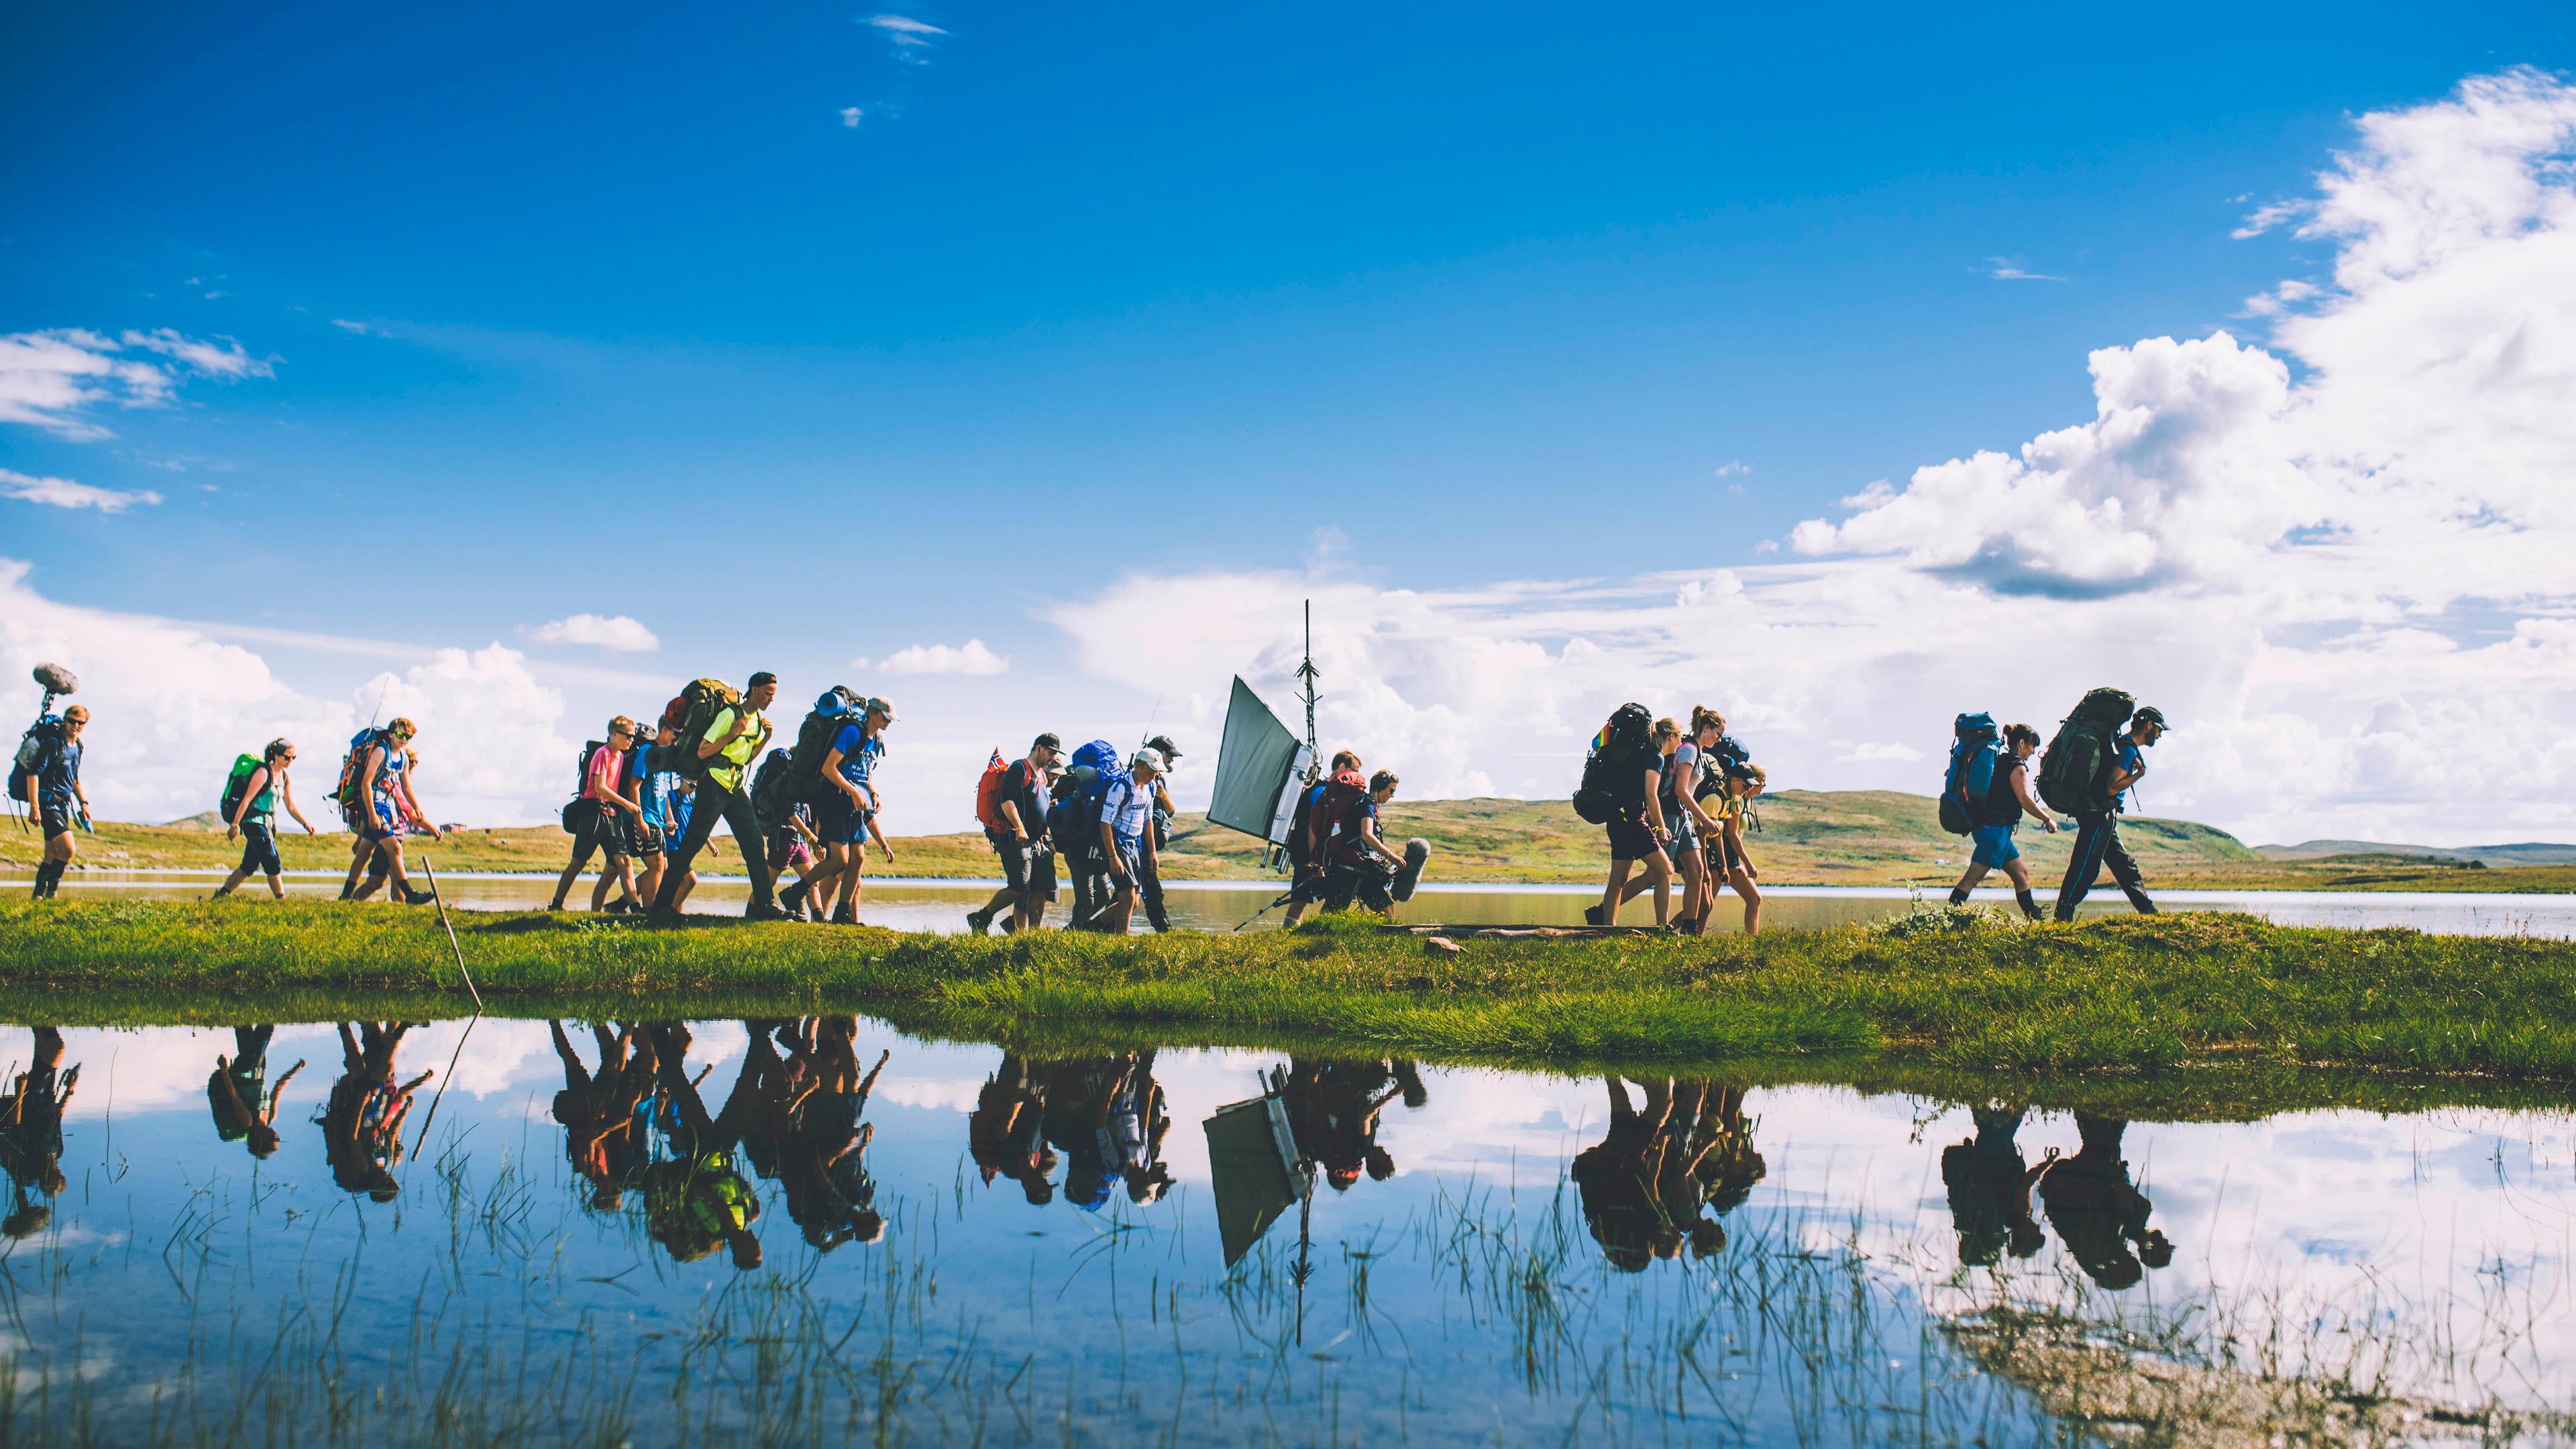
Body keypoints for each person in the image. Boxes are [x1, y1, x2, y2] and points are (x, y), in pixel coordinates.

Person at [651, 674, 787, 926]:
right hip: (714, 782)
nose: (771, 698)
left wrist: (765, 738)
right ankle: (661, 906)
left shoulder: (757, 721)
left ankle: (763, 905)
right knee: (692, 842)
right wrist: (732, 733)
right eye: (768, 692)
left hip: (734, 786)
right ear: (754, 690)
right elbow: (703, 750)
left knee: (754, 842)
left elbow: (746, 758)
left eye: (774, 695)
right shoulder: (729, 716)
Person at [1615, 710, 1726, 932]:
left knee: (1697, 871)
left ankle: (1689, 929)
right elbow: (1681, 790)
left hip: (1683, 816)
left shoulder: (1698, 753)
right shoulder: (1688, 751)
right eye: (1718, 733)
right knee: (1655, 874)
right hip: (1671, 813)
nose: (1719, 738)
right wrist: (1704, 819)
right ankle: (1606, 911)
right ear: (1706, 728)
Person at [2054, 706, 2167, 920]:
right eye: (2160, 729)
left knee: (2125, 867)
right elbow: (2112, 787)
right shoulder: (2128, 749)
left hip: (2104, 816)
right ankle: (2062, 916)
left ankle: (2151, 915)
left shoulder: (2123, 744)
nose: (2160, 734)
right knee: (2085, 869)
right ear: (2149, 726)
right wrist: (2139, 775)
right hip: (2098, 815)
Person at [790, 695, 895, 926]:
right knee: (840, 860)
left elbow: (864, 773)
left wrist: (872, 793)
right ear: (872, 713)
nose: (888, 722)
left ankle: (842, 914)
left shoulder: (876, 740)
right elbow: (829, 768)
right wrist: (853, 791)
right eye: (885, 717)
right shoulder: (852, 733)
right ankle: (795, 892)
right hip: (833, 799)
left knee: (858, 857)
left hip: (854, 803)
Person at [1946, 724, 2059, 920]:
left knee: (2021, 875)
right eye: (2032, 746)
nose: (2033, 751)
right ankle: (1946, 920)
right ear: (2022, 742)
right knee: (1971, 879)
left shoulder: (1998, 760)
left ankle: (2035, 921)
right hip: (1995, 832)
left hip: (1993, 830)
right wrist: (2046, 818)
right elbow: (2024, 799)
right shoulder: (2017, 766)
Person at [549, 717, 649, 912]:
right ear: (613, 734)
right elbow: (600, 788)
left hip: (610, 815)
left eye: (633, 737)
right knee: (578, 863)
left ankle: (636, 909)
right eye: (628, 736)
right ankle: (556, 905)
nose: (631, 740)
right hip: (592, 814)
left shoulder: (620, 757)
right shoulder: (602, 754)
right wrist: (628, 805)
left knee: (624, 860)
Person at [970, 733, 1066, 935]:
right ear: (1039, 748)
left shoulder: (1041, 776)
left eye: (1055, 754)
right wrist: (1019, 827)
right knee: (1019, 888)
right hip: (1016, 839)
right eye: (1050, 752)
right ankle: (982, 917)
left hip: (1039, 841)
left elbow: (1038, 807)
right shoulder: (1019, 768)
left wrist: (1049, 836)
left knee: (1040, 888)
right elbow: (1008, 802)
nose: (1051, 758)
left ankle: (1034, 935)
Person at [1589, 718, 1678, 928]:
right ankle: (1662, 928)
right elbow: (1651, 794)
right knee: (1666, 872)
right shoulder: (1655, 756)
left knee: (1618, 879)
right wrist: (1661, 827)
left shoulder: (1641, 753)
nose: (1680, 743)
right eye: (1680, 738)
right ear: (1671, 737)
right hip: (1632, 820)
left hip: (1617, 818)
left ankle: (1608, 928)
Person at [342, 719, 440, 905]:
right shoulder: (381, 751)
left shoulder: (402, 757)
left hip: (385, 806)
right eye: (401, 735)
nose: (404, 739)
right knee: (395, 848)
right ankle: (410, 894)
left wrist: (417, 807)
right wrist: (371, 814)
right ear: (390, 734)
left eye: (408, 736)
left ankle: (346, 895)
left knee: (364, 852)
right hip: (373, 803)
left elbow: (406, 787)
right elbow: (366, 783)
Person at [213, 739, 317, 900]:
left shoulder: (284, 776)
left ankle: (219, 897)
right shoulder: (263, 773)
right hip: (253, 821)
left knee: (249, 866)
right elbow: (247, 800)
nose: (290, 761)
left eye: (293, 758)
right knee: (273, 863)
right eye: (287, 757)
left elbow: (290, 805)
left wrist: (305, 824)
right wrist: (235, 825)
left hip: (267, 823)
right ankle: (282, 901)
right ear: (276, 756)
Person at [1281, 751, 1361, 930]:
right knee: (1310, 897)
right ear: (1342, 767)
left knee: (1300, 898)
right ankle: (1310, 934)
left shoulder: (1326, 790)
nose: (1356, 776)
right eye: (1354, 770)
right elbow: (1312, 827)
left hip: (1307, 852)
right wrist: (1315, 861)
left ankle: (1295, 934)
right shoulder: (1322, 791)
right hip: (1309, 854)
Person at [1091, 749, 1165, 934]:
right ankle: (1121, 941)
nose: (1153, 777)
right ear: (1138, 766)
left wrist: (1153, 853)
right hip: (1117, 844)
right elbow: (1105, 823)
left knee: (1135, 901)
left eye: (1156, 773)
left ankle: (1091, 927)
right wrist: (1112, 856)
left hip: (1134, 845)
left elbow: (1148, 821)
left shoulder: (1151, 787)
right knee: (1127, 896)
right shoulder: (1120, 788)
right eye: (1150, 772)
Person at [20, 704, 90, 900]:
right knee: (68, 849)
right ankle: (52, 890)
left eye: (80, 722)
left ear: (85, 724)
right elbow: (33, 773)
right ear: (65, 720)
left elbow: (74, 778)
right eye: (71, 720)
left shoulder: (78, 747)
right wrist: (35, 808)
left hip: (63, 804)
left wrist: (83, 803)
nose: (75, 725)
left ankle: (39, 895)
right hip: (48, 803)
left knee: (51, 853)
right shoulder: (53, 743)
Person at [205, 1026, 305, 1159]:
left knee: (265, 1031)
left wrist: (224, 1069)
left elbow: (233, 1094)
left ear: (259, 1140)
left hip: (244, 1069)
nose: (276, 1136)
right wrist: (296, 1070)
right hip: (258, 1068)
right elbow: (278, 1088)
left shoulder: (248, 1122)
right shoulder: (271, 1116)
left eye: (272, 1140)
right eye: (277, 1139)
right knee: (244, 1030)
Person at [1320, 769, 1405, 913]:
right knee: (1386, 910)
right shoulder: (1368, 804)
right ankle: (1315, 933)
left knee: (1332, 911)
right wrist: (1393, 857)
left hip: (1351, 866)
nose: (1392, 795)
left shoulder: (1364, 802)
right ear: (1380, 786)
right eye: (1391, 790)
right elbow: (1367, 835)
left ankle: (1316, 932)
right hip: (1353, 869)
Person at [1704, 760, 1766, 934]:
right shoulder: (1736, 801)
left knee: (1754, 899)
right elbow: (1732, 835)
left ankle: (1751, 940)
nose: (1763, 786)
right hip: (1723, 855)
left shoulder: (1746, 802)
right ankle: (1672, 930)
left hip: (1731, 856)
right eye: (1762, 782)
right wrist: (1748, 863)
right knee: (1705, 903)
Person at [1137, 734, 1184, 932]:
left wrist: (1162, 793)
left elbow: (1171, 810)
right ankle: (1163, 930)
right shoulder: (1141, 777)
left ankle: (1099, 927)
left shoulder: (1158, 779)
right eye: (1169, 756)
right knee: (1148, 888)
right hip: (1140, 842)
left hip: (1149, 843)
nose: (1171, 760)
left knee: (1135, 887)